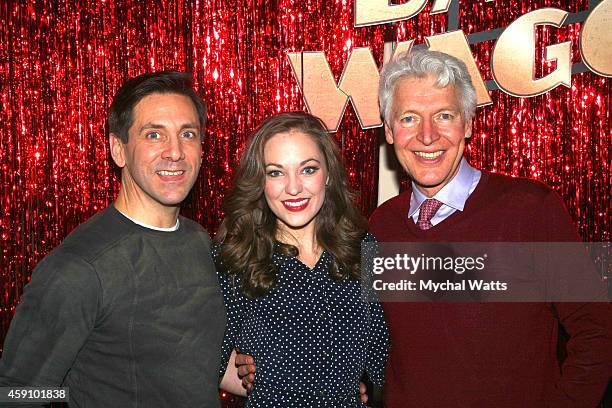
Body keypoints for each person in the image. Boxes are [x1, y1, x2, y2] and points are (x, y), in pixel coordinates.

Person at [369, 50, 612, 407]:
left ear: (468, 123)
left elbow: (598, 332)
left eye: (444, 115)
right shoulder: (380, 225)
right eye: (408, 118)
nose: (426, 135)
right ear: (389, 131)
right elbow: (372, 339)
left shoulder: (532, 210)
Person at [0, 71, 226, 407]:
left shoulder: (199, 241)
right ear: (118, 150)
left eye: (188, 134)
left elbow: (192, 368)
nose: (175, 152)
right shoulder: (79, 268)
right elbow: (15, 392)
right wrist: (79, 395)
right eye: (154, 135)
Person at [214, 111, 389, 407]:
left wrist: (366, 389)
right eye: (276, 172)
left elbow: (381, 352)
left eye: (307, 170)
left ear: (328, 174)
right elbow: (200, 356)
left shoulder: (363, 249)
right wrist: (247, 380)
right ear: (260, 181)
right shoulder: (237, 257)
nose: (293, 187)